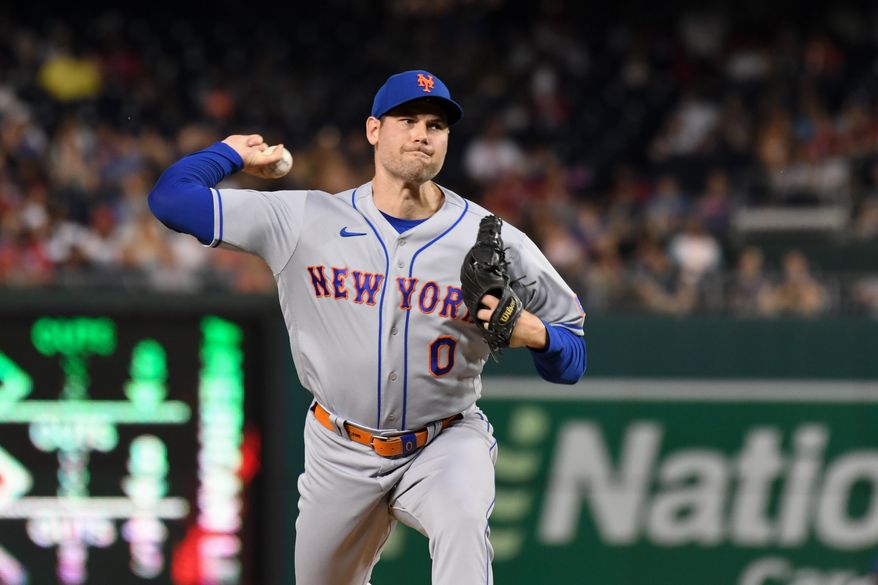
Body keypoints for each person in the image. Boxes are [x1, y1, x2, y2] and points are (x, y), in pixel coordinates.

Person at [148, 69, 586, 585]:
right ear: (373, 130)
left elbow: (572, 357)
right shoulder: (305, 219)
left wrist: (537, 334)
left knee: (463, 524)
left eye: (436, 125)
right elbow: (171, 201)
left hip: (443, 441)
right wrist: (230, 154)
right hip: (339, 449)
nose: (423, 133)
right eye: (407, 120)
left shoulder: (491, 238)